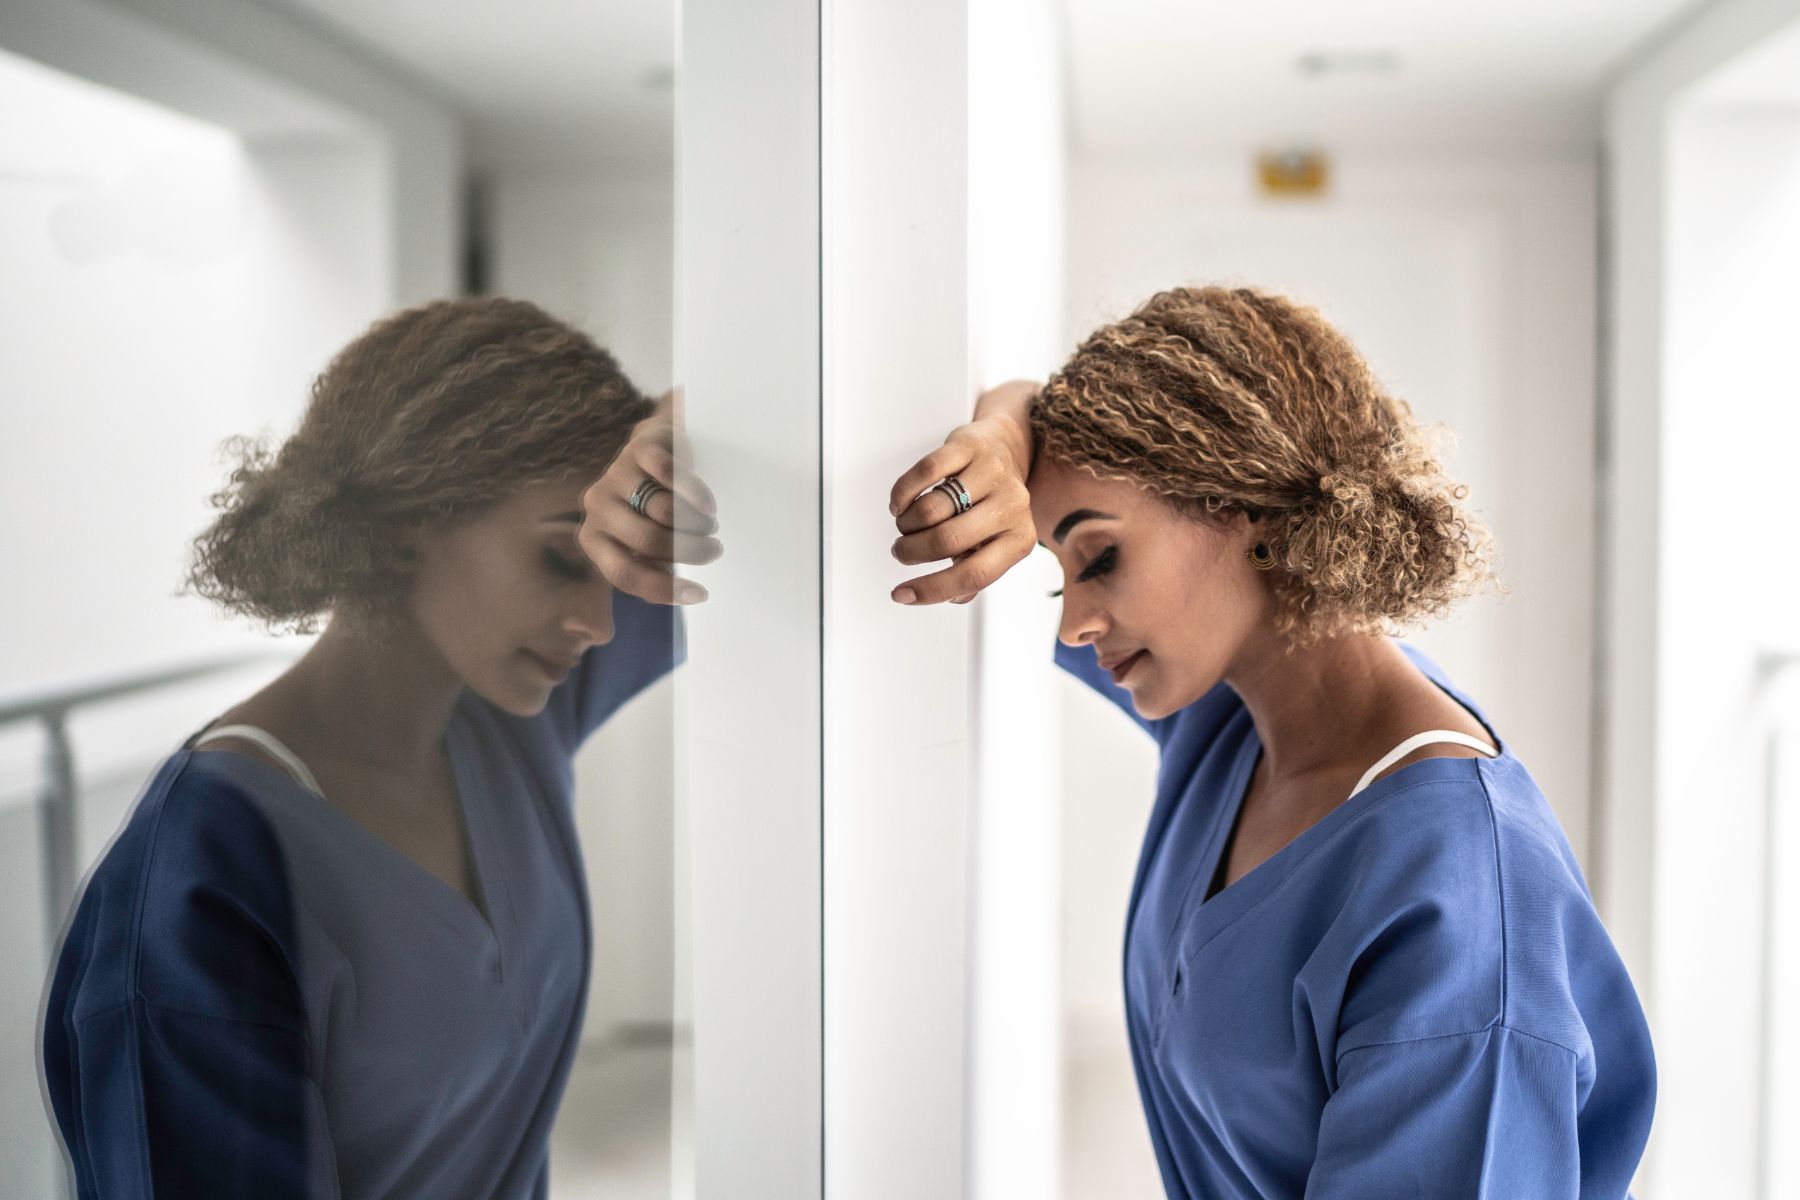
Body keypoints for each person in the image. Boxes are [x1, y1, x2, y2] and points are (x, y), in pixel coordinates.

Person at [886, 285, 1655, 1197]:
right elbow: (1008, 412)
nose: (1074, 626)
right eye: (1063, 580)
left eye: (1099, 559)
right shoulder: (1232, 719)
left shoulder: (1460, 918)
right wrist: (1009, 434)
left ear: (1251, 509)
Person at [41, 296, 719, 1198]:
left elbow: (797, 423)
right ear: (404, 527)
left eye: (611, 567)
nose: (600, 622)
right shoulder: (198, 889)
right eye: (563, 558)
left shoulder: (508, 716)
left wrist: (667, 434)